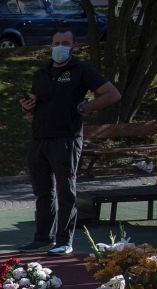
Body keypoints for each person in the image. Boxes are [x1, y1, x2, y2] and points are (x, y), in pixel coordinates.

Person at [19, 29, 120, 255]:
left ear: (74, 45)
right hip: (39, 138)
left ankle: (64, 240)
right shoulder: (42, 73)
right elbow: (34, 104)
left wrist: (86, 107)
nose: (59, 47)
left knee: (65, 190)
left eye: (65, 42)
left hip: (66, 137)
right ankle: (42, 237)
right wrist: (27, 107)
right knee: (42, 192)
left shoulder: (81, 70)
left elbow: (112, 94)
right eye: (56, 42)